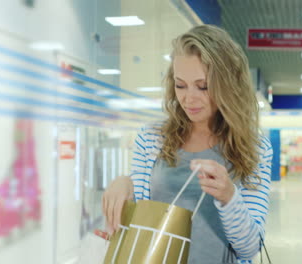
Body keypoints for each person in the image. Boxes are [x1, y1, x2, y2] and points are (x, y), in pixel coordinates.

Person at [102, 24, 273, 263]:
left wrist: (229, 197)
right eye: (180, 85)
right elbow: (139, 220)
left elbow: (249, 248)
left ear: (227, 85)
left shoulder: (255, 148)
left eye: (203, 86)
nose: (188, 98)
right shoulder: (151, 138)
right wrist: (124, 185)